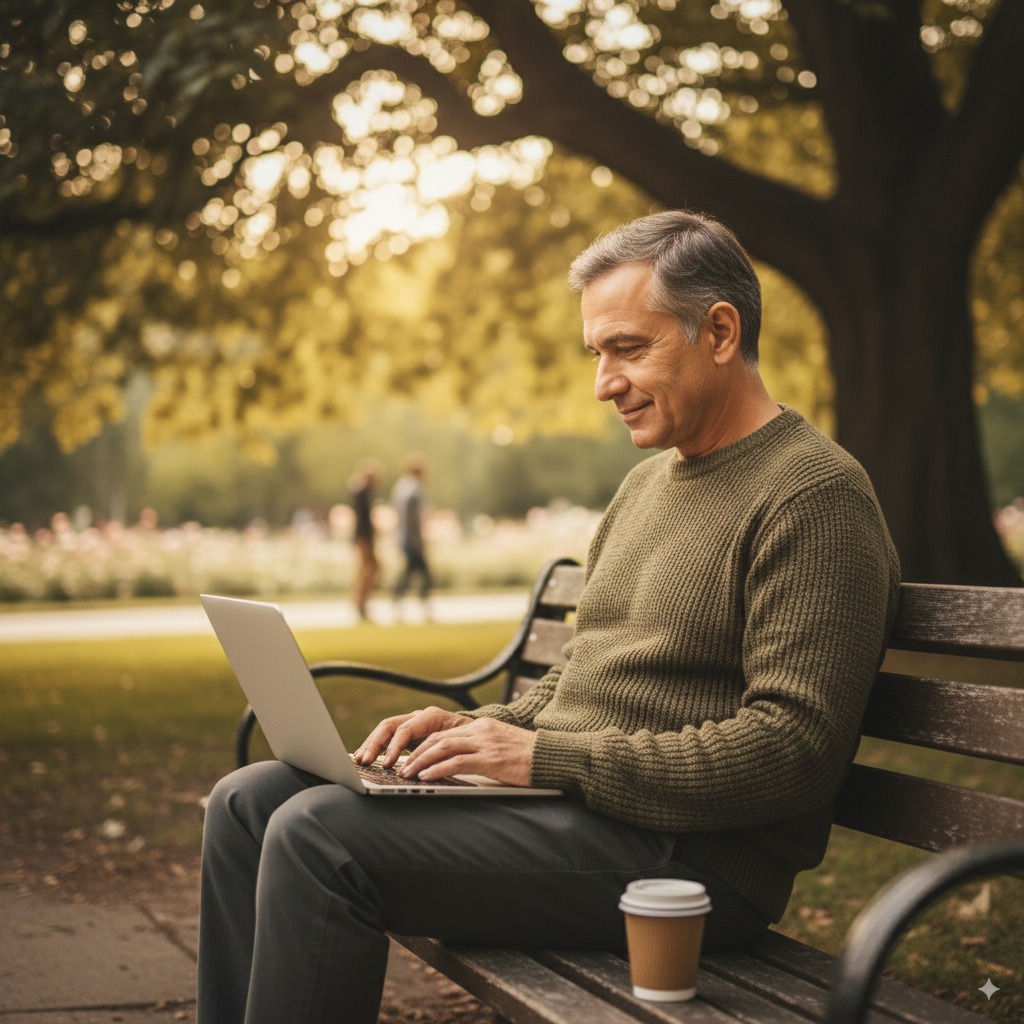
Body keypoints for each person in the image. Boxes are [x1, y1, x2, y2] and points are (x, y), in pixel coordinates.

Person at [197, 210, 900, 1024]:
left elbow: (794, 753)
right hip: (583, 816)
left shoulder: (814, 497)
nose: (603, 383)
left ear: (718, 331)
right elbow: (579, 677)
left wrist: (545, 760)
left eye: (628, 349)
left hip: (691, 864)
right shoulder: (646, 488)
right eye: (597, 354)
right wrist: (468, 731)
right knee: (247, 803)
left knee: (319, 835)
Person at [390, 455, 433, 615]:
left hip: (403, 536)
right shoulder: (415, 489)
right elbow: (414, 518)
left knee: (412, 571)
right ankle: (420, 600)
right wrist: (419, 539)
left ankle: (400, 596)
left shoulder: (400, 487)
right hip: (411, 538)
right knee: (422, 572)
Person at [348, 458, 382, 621]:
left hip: (366, 536)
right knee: (370, 569)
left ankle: (360, 601)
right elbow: (361, 520)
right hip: (363, 537)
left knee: (366, 569)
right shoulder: (361, 493)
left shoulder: (366, 492)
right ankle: (360, 601)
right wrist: (364, 540)